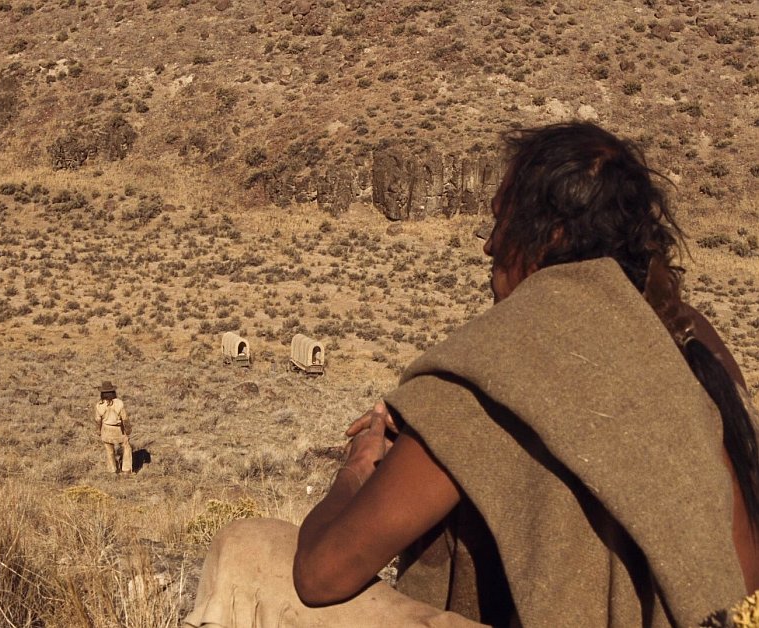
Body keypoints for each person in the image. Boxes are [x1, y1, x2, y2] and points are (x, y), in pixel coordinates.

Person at [183, 122, 759, 627]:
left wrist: (360, 464)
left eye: (501, 222)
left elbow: (322, 574)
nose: (488, 246)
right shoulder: (690, 335)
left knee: (248, 549)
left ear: (551, 236)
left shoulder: (515, 353)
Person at [94, 380, 133, 474]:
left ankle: (112, 470)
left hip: (106, 429)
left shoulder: (99, 405)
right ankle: (126, 469)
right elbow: (125, 418)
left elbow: (98, 420)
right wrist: (128, 430)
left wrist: (98, 430)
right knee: (126, 447)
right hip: (118, 429)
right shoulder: (119, 403)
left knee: (109, 450)